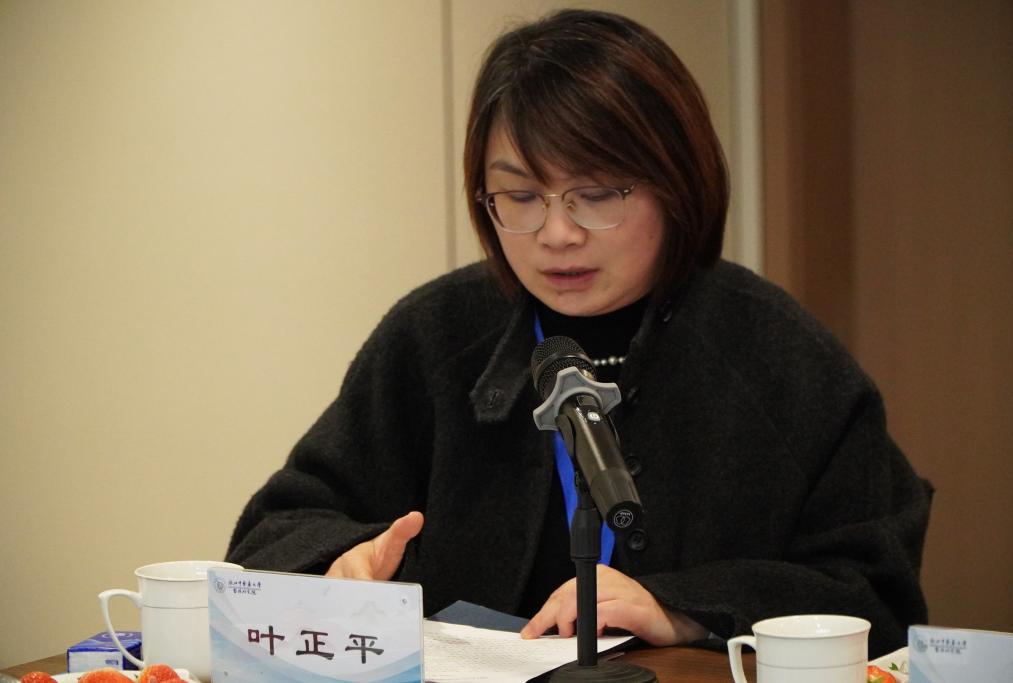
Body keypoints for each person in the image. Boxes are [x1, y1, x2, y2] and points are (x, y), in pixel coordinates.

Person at [227, 9, 930, 657]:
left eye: (596, 194)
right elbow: (276, 530)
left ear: (677, 183)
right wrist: (340, 565)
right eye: (520, 197)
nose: (557, 233)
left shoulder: (782, 358)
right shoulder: (435, 336)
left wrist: (684, 608)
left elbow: (877, 595)